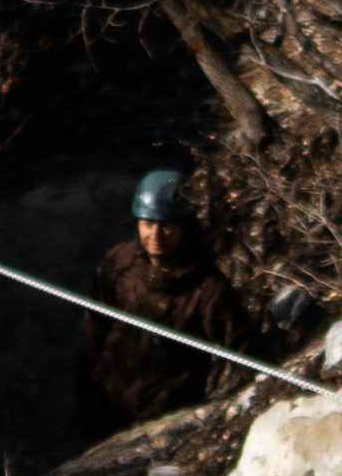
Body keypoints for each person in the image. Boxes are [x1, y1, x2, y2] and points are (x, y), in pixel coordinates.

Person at [76, 163, 255, 431]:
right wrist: (84, 381)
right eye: (148, 224)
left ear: (185, 226)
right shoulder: (119, 263)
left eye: (167, 225)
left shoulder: (207, 289)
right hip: (109, 400)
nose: (155, 235)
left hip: (167, 418)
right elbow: (94, 325)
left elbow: (246, 353)